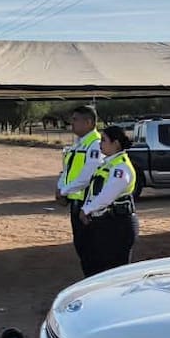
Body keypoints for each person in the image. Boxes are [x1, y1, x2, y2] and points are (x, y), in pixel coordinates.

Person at [80, 125, 138, 276]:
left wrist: (86, 210)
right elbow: (94, 192)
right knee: (101, 267)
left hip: (118, 225)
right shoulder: (108, 163)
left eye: (104, 140)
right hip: (106, 224)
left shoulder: (121, 167)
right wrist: (88, 208)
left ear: (116, 143)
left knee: (116, 272)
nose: (100, 144)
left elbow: (107, 195)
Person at [56, 105, 103, 275]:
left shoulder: (96, 144)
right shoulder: (79, 144)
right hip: (76, 202)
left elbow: (87, 176)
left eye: (76, 120)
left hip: (88, 204)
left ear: (89, 122)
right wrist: (60, 187)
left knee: (91, 250)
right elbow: (68, 170)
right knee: (82, 247)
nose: (72, 123)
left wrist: (64, 191)